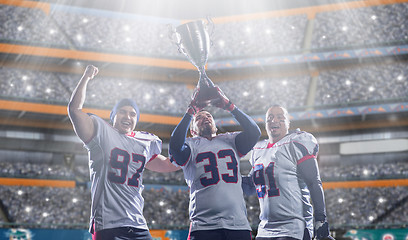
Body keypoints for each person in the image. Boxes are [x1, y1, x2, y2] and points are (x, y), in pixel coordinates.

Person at [67, 65, 180, 240]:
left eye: (132, 114)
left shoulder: (145, 142)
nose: (127, 117)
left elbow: (167, 165)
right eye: (122, 112)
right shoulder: (101, 133)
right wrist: (86, 78)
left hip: (137, 224)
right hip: (108, 224)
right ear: (113, 116)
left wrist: (191, 155)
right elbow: (74, 110)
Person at [169, 86, 261, 240]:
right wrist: (191, 111)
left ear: (216, 126)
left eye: (209, 116)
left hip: (237, 225)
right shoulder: (191, 145)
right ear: (192, 130)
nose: (205, 118)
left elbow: (254, 132)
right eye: (199, 118)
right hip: (204, 226)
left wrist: (229, 106)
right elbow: (175, 147)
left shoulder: (230, 140)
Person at [245, 105, 333, 240]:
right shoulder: (258, 149)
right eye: (270, 118)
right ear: (265, 123)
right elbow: (251, 187)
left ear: (288, 123)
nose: (274, 120)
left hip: (294, 227)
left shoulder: (296, 142)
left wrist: (320, 219)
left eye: (280, 118)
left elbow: (314, 182)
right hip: (265, 229)